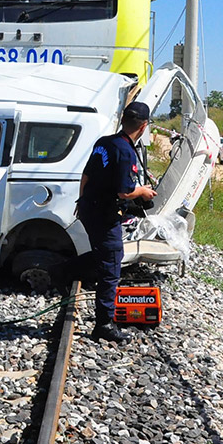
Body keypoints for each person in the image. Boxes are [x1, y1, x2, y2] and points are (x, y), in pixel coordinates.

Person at [77, 101, 157, 343]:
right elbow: (124, 192)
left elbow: (86, 175)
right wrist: (142, 191)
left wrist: (81, 202)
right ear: (143, 127)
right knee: (111, 268)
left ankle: (72, 280)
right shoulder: (125, 151)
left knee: (102, 257)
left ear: (123, 120)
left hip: (89, 209)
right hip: (105, 215)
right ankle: (104, 324)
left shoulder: (103, 142)